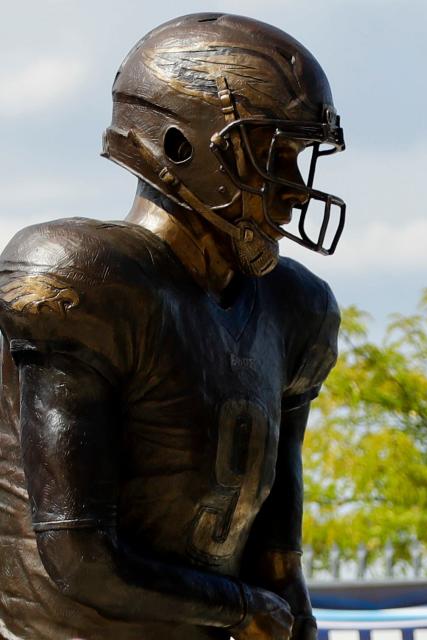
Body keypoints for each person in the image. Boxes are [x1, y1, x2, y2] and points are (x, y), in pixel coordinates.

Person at [0, 13, 344, 640]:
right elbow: (79, 559)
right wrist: (244, 610)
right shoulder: (83, 275)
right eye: (273, 153)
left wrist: (290, 620)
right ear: (180, 146)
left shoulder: (296, 309)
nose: (294, 189)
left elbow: (277, 558)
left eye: (300, 156)